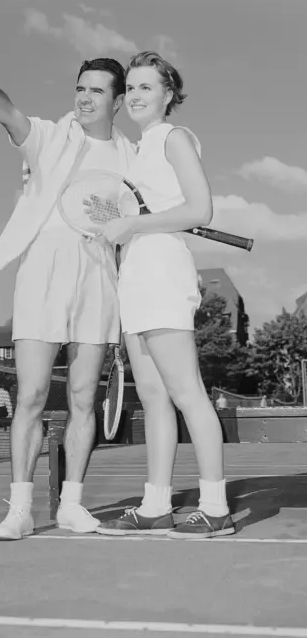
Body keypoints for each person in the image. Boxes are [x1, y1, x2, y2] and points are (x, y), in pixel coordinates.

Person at [0, 40, 135, 541]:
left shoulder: (133, 156)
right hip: (42, 276)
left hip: (99, 282)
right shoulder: (49, 135)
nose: (84, 98)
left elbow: (137, 220)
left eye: (96, 91)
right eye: (79, 88)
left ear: (118, 100)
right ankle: (20, 509)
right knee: (33, 396)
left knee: (84, 397)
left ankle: (71, 505)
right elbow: (7, 112)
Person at [93, 51, 235, 539]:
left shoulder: (174, 139)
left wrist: (133, 222)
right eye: (130, 88)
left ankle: (215, 506)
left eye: (146, 87)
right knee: (153, 397)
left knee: (186, 392)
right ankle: (156, 504)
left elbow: (200, 208)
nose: (134, 95)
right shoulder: (134, 151)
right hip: (134, 277)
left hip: (163, 273)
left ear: (169, 94)